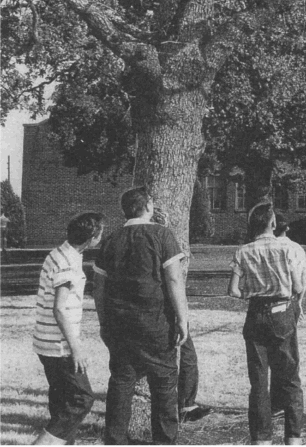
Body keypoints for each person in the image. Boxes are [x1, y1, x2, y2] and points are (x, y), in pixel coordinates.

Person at [93, 186, 189, 445]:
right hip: (156, 324)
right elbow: (173, 279)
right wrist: (182, 318)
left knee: (121, 384)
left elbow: (98, 289)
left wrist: (104, 323)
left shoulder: (110, 240)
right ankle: (164, 441)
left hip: (120, 325)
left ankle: (114, 441)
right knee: (164, 386)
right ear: (148, 206)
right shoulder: (162, 235)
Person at [228, 202, 305, 446]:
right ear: (273, 223)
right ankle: (293, 437)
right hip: (282, 312)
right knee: (290, 377)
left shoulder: (243, 251)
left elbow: (232, 290)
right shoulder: (286, 249)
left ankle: (261, 439)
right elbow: (298, 286)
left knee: (258, 382)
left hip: (255, 315)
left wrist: (251, 294)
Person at [32, 211, 106, 445]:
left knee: (61, 401)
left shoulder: (59, 253)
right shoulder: (68, 263)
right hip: (58, 345)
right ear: (92, 237)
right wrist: (76, 348)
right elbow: (59, 309)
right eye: (101, 232)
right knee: (81, 399)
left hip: (44, 342)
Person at [151, 205, 211, 424]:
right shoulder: (160, 243)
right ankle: (185, 404)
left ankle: (182, 402)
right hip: (165, 311)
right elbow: (173, 279)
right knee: (186, 357)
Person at [270, 213, 306, 420]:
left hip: (268, 304)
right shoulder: (295, 248)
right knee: (289, 356)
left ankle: (275, 402)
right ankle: (290, 405)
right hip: (289, 302)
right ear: (288, 228)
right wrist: (299, 302)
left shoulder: (265, 247)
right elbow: (303, 278)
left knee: (270, 356)